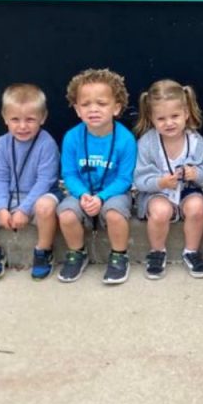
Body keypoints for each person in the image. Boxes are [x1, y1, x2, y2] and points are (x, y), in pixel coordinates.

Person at [0, 83, 61, 281]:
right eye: (15, 119)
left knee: (45, 207)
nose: (22, 126)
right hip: (9, 196)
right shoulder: (3, 143)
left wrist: (24, 210)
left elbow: (45, 181)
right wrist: (1, 208)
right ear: (5, 118)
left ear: (43, 118)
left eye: (30, 119)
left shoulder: (47, 144)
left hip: (38, 196)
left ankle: (43, 251)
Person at [57, 68, 136, 285]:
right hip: (81, 192)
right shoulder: (72, 137)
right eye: (85, 104)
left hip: (114, 193)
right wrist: (82, 194)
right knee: (66, 214)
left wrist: (101, 198)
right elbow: (69, 174)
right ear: (77, 109)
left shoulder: (125, 139)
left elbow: (125, 179)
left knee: (115, 214)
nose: (93, 109)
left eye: (101, 103)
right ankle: (77, 253)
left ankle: (119, 255)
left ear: (116, 107)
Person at [133, 79, 203, 280]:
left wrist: (196, 174)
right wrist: (160, 182)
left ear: (186, 113)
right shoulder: (147, 143)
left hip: (186, 189)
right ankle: (157, 251)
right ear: (152, 118)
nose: (169, 123)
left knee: (197, 206)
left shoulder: (195, 140)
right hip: (156, 192)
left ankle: (191, 251)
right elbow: (140, 179)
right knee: (160, 211)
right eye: (161, 118)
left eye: (175, 116)